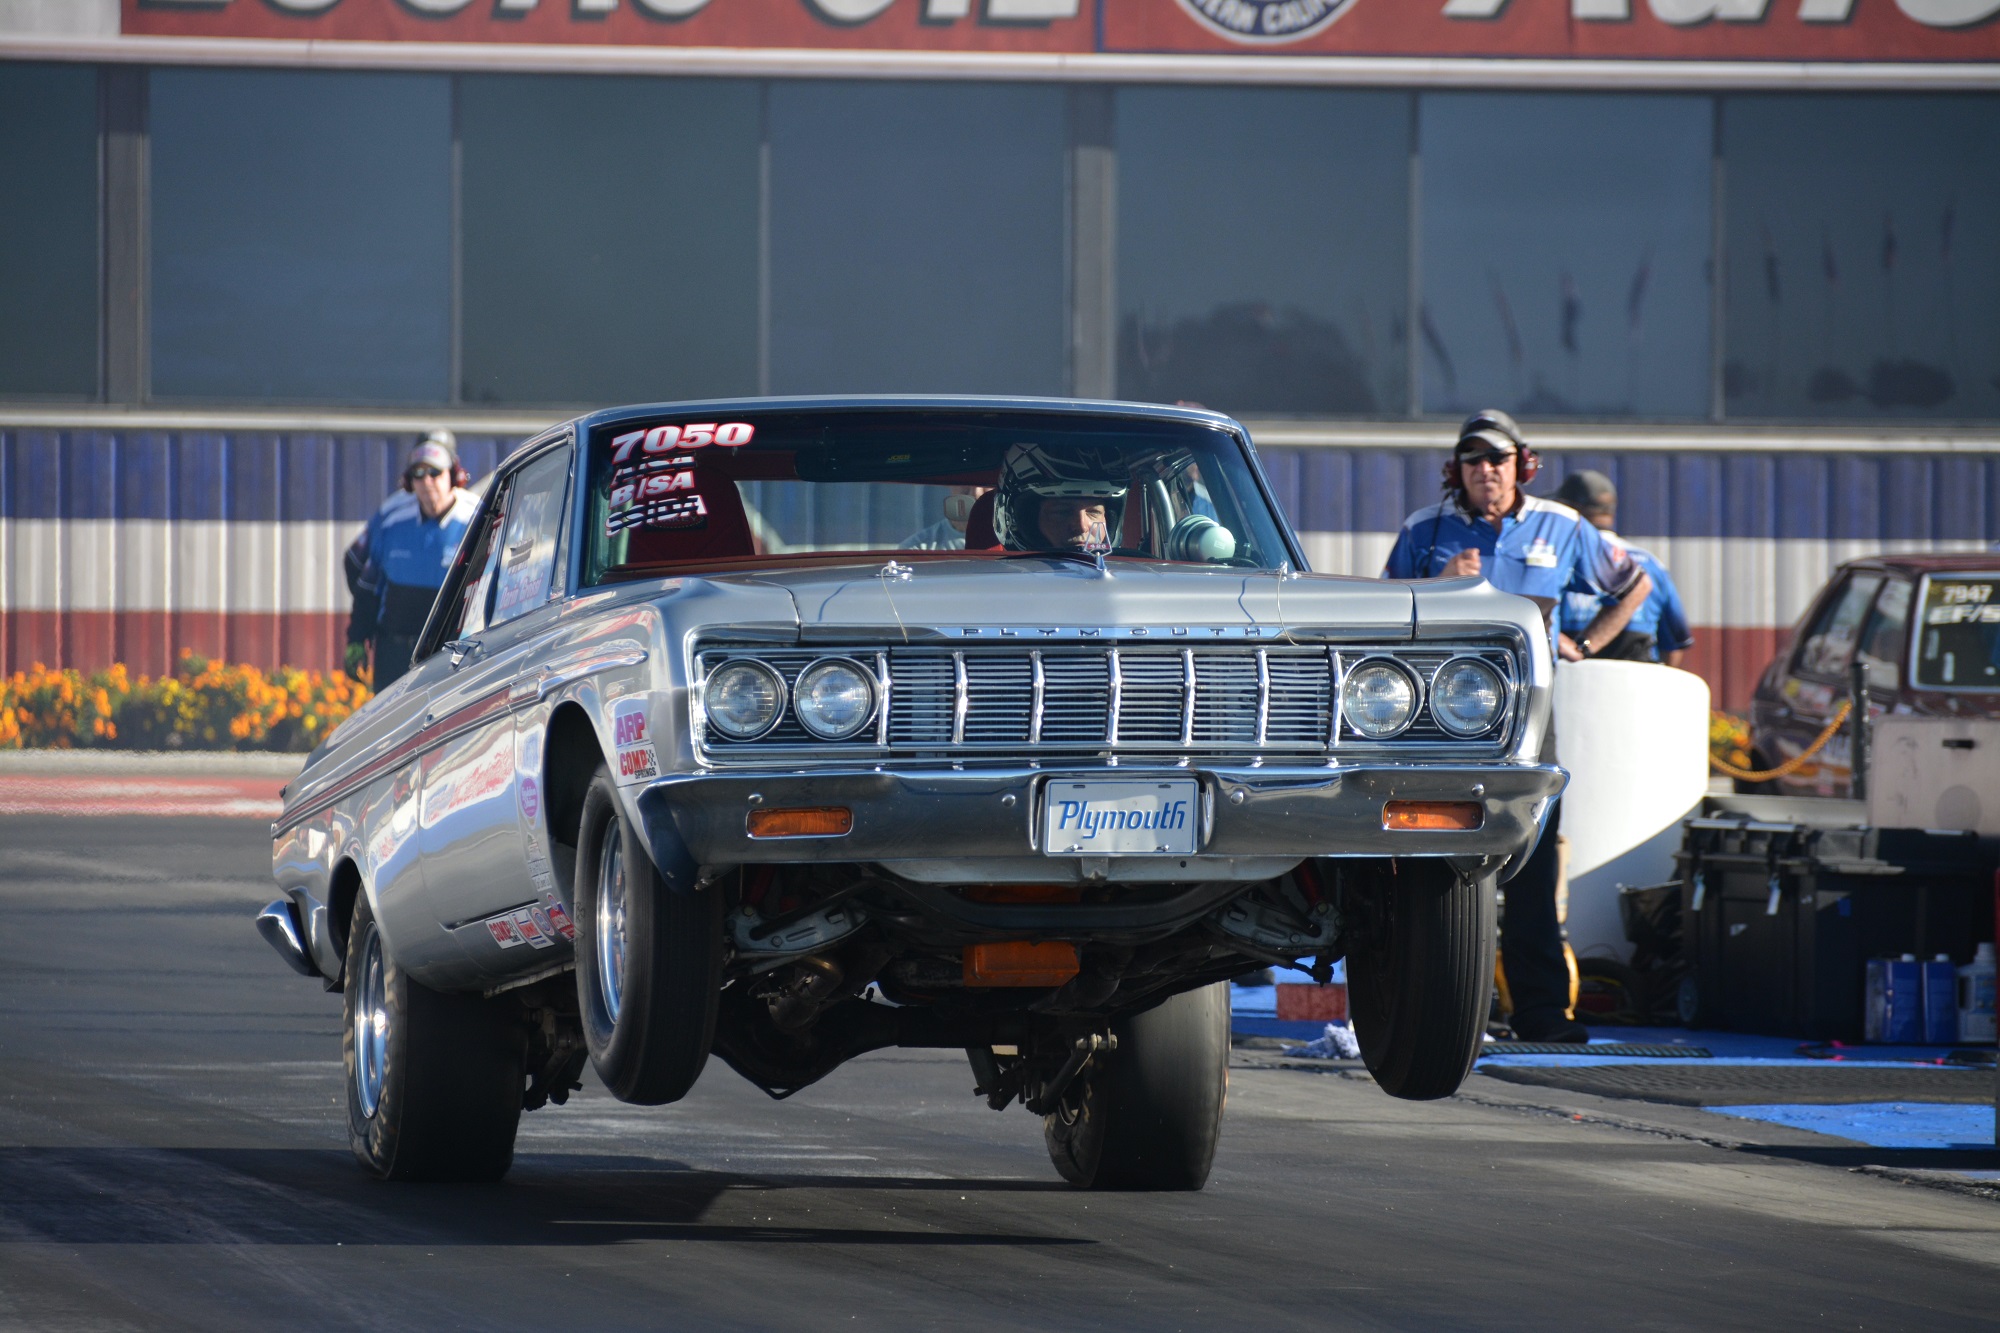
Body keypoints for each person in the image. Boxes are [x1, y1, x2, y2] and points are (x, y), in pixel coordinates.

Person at [1382, 410, 1652, 1044]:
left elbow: (1632, 584)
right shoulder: (1426, 529)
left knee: (1531, 859)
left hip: (1527, 714)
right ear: (1458, 471)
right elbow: (1386, 609)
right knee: (1430, 863)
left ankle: (1539, 1013)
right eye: (1473, 461)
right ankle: (1433, 1010)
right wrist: (1436, 586)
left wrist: (1585, 642)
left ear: (1521, 466)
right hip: (1436, 721)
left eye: (1497, 460)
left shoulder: (1562, 526)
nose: (1486, 472)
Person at [344, 432, 479, 690]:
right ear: (408, 481)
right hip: (394, 654)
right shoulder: (391, 518)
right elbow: (364, 581)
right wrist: (357, 637)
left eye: (435, 472)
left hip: (454, 656)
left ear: (454, 475)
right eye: (418, 473)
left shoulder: (478, 518)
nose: (427, 482)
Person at [1553, 470, 1693, 668]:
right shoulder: (1650, 565)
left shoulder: (1559, 561)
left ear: (1570, 509)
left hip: (1569, 688)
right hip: (1634, 691)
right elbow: (1674, 644)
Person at [991, 442, 1125, 553]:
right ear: (1021, 520)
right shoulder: (991, 585)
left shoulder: (1135, 583)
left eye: (1093, 512)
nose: (1081, 526)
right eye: (1062, 512)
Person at [900, 485, 991, 551]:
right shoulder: (916, 549)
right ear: (949, 485)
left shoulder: (1004, 543)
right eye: (966, 482)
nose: (975, 493)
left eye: (986, 484)